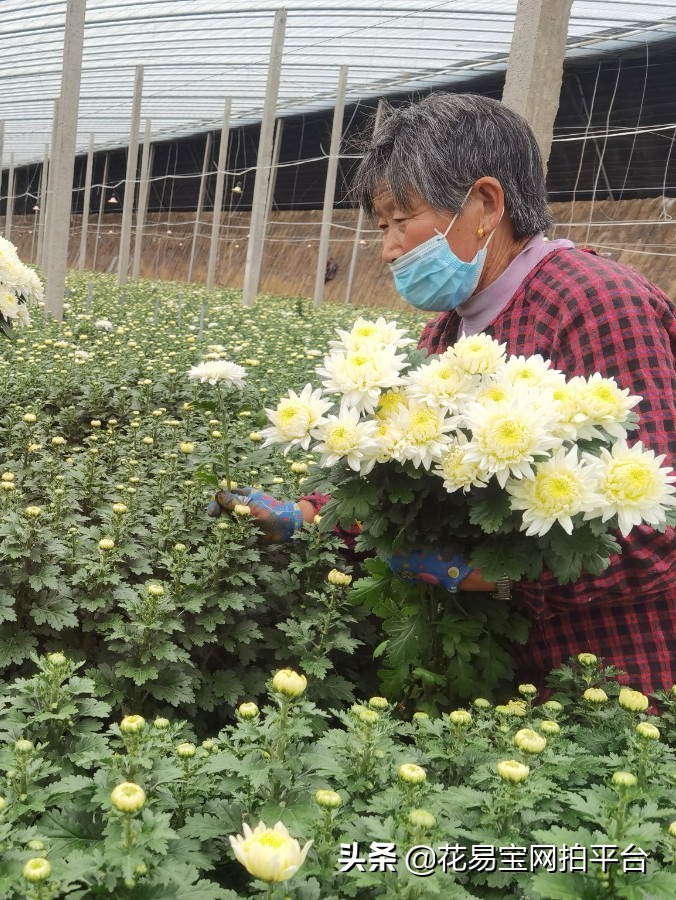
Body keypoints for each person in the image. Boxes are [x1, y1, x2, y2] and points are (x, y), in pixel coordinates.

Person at [211, 93, 676, 696]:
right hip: (500, 674)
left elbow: (658, 534)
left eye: (402, 220)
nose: (389, 249)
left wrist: (489, 576)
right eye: (382, 228)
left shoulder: (594, 303)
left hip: (616, 677)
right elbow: (406, 482)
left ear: (485, 204)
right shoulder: (451, 330)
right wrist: (304, 518)